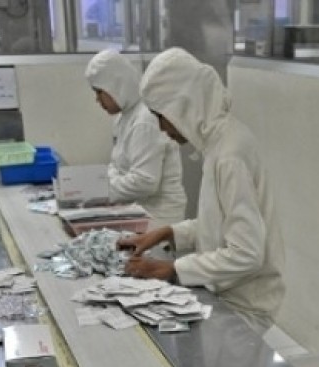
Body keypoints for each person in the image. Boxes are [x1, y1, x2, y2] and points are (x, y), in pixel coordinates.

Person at [118, 48, 284, 334]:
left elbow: (247, 253)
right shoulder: (218, 144)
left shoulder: (229, 155)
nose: (161, 128)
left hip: (245, 304)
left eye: (161, 115)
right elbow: (220, 224)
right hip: (227, 292)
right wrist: (168, 233)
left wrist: (172, 269)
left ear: (183, 105)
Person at [85, 49, 186, 227]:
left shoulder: (145, 119)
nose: (97, 100)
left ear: (115, 85)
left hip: (158, 219)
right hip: (136, 210)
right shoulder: (125, 116)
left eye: (99, 92)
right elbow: (116, 166)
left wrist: (102, 192)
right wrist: (100, 187)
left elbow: (144, 182)